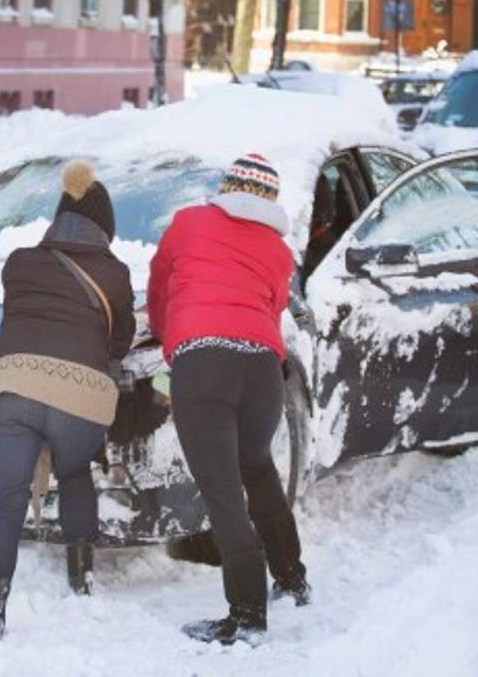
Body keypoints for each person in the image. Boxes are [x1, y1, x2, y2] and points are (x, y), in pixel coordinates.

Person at [147, 153, 309, 647]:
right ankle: (292, 577)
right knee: (257, 468)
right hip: (262, 369)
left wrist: (167, 337)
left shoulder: (189, 222)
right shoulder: (280, 252)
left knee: (222, 492)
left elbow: (160, 285)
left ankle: (247, 617)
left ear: (228, 186)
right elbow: (274, 306)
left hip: (204, 364)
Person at [0, 160, 135, 640]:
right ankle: (80, 576)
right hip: (77, 396)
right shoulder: (115, 274)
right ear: (105, 228)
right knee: (75, 471)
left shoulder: (18, 262)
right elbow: (118, 343)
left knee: (3, 503)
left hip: (9, 388)